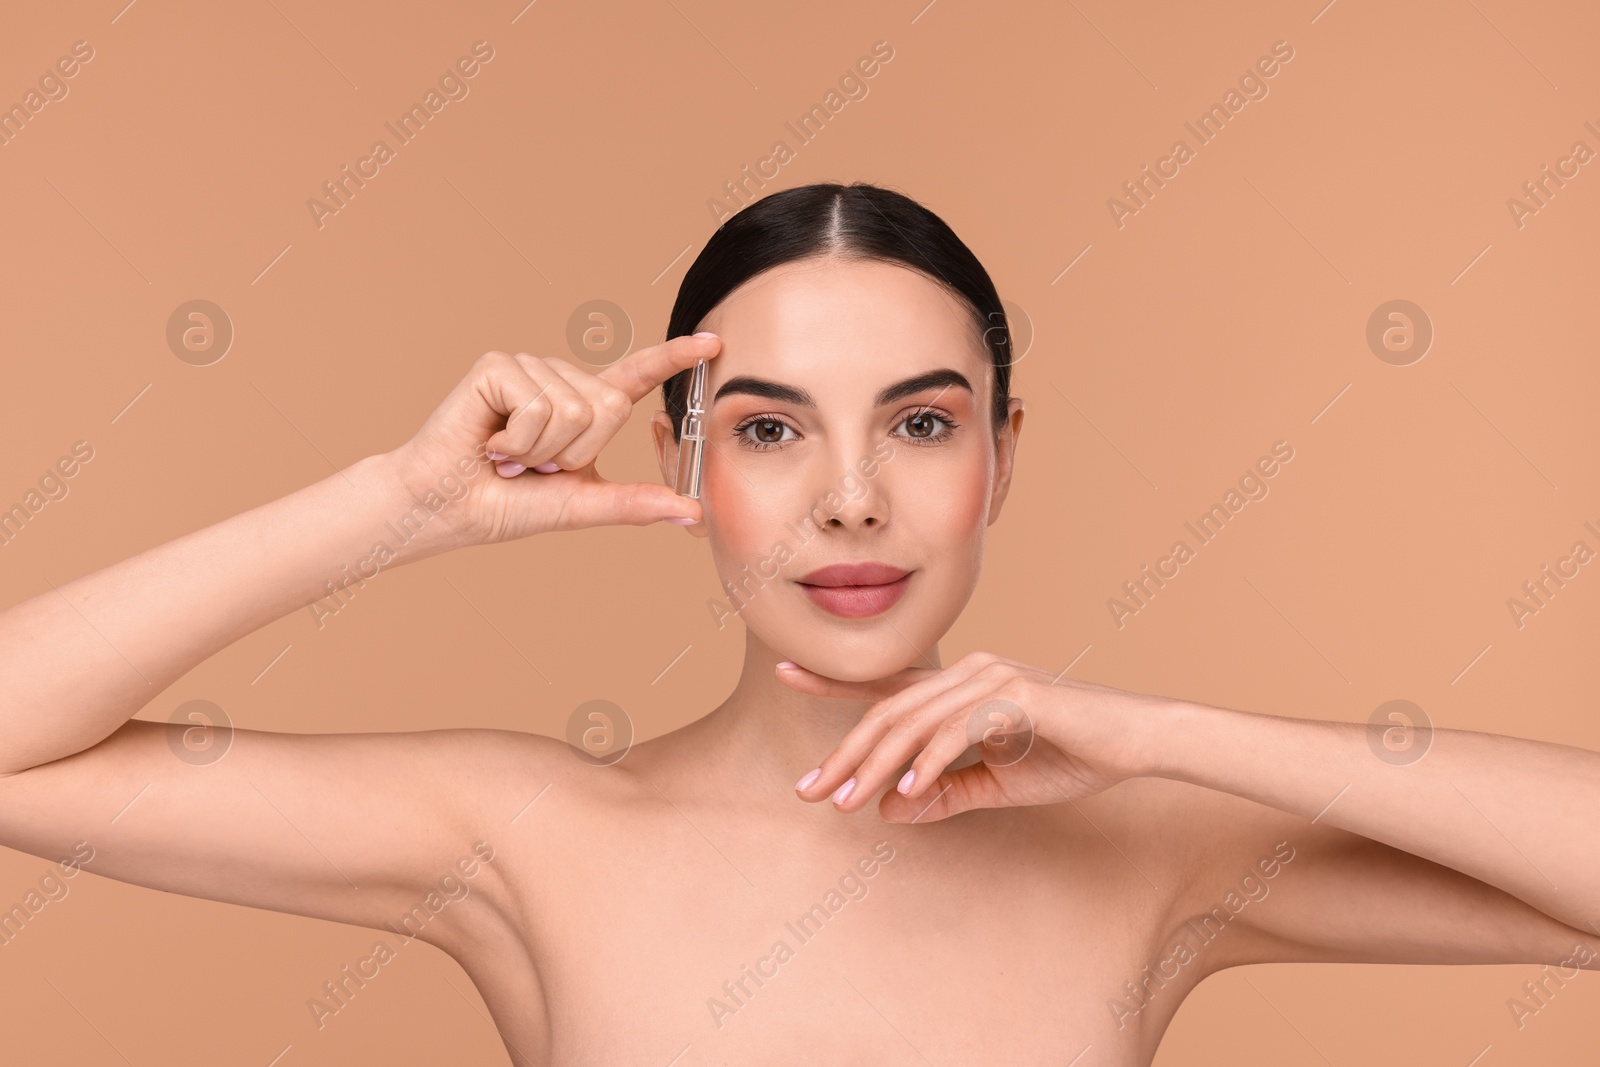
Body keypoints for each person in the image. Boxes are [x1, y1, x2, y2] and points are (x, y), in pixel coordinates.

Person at [1, 181, 1595, 1065]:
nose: (848, 501)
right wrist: (393, 507)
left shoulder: (1149, 842)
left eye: (919, 424)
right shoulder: (534, 835)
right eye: (768, 429)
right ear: (676, 457)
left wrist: (1161, 733)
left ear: (1001, 456)